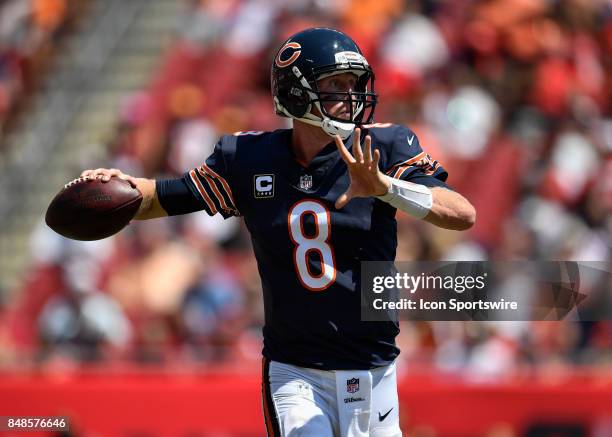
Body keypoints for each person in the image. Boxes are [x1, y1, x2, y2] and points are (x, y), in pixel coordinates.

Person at [81, 28, 475, 437]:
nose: (351, 95)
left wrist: (386, 187)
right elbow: (162, 197)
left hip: (373, 367)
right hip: (296, 371)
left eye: (353, 83)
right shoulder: (248, 159)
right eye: (335, 84)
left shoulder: (382, 148)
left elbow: (461, 214)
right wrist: (116, 185)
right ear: (297, 92)